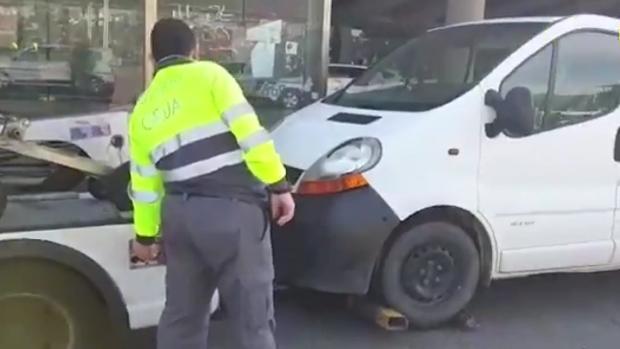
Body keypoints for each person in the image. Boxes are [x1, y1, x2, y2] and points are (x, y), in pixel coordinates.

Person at [128, 18, 295, 349]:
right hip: (230, 212)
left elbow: (144, 186)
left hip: (178, 217)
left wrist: (144, 237)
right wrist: (278, 185)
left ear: (152, 59)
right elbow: (251, 136)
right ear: (194, 50)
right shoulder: (211, 76)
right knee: (252, 319)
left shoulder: (142, 108)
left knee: (182, 317)